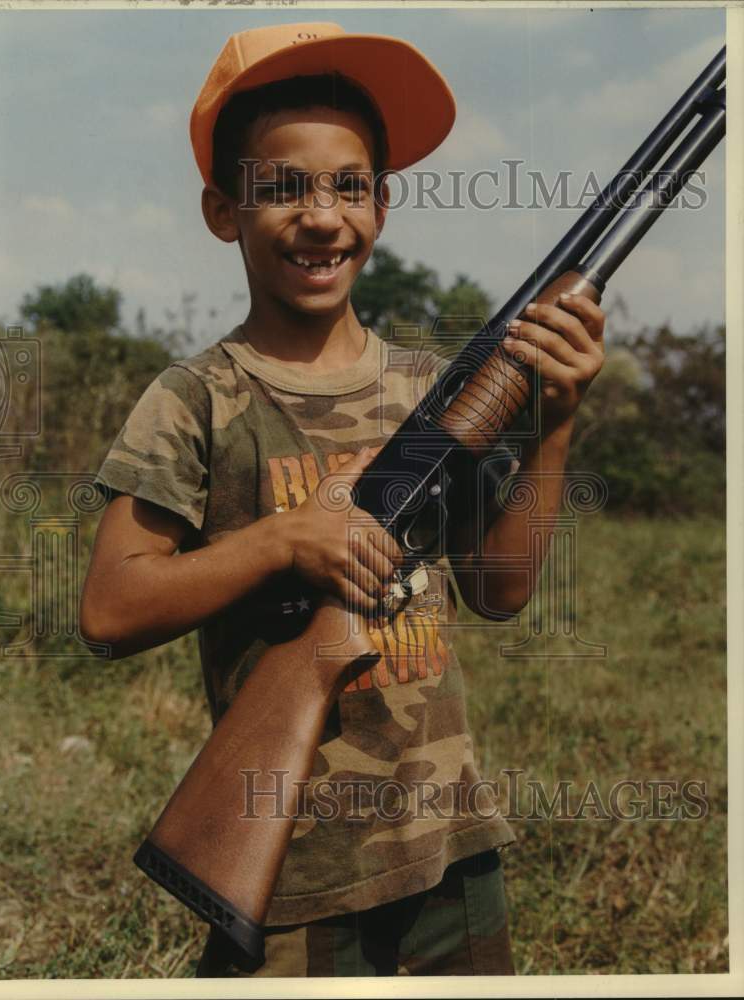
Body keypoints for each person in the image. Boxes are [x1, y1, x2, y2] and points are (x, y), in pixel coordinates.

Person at [80, 22, 605, 977]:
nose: (322, 217)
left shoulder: (426, 390)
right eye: (282, 187)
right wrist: (284, 541)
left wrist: (553, 423)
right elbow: (110, 609)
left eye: (348, 186)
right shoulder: (196, 397)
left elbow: (499, 589)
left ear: (383, 205)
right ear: (221, 208)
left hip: (450, 851)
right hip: (292, 874)